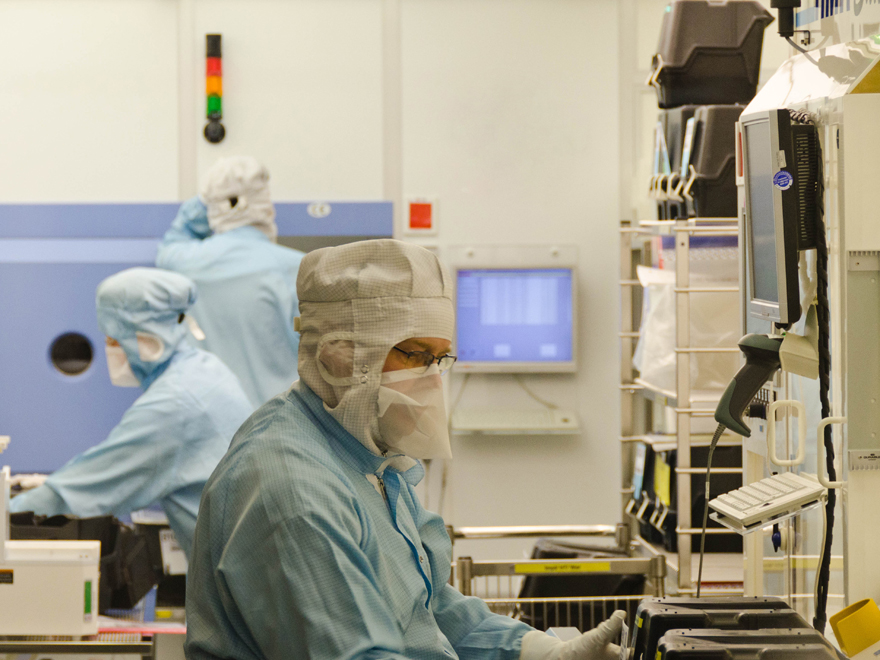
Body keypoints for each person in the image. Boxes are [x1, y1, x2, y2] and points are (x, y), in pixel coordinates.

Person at [185, 240, 624, 660]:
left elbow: (428, 609)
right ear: (341, 357)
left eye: (440, 359)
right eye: (415, 355)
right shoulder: (292, 488)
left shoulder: (372, 460)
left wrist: (546, 652)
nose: (433, 378)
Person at [10, 268, 253, 559]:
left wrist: (11, 508)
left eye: (114, 339)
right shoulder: (204, 369)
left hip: (241, 587)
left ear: (147, 339)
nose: (109, 348)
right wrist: (55, 482)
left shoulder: (175, 404)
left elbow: (94, 485)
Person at [156, 156, 304, 408]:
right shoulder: (300, 267)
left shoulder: (186, 262)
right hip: (279, 430)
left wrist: (206, 203)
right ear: (267, 206)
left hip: (212, 427)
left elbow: (173, 241)